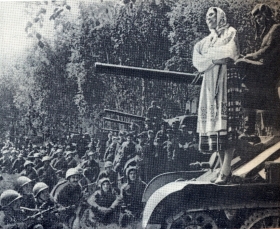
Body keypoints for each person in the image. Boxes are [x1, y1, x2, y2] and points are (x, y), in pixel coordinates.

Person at [193, 7, 239, 184]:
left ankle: (226, 171)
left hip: (228, 80)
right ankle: (222, 170)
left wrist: (210, 60)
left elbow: (231, 53)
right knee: (216, 128)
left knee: (228, 127)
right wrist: (214, 59)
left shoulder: (231, 32)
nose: (208, 19)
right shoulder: (207, 40)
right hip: (211, 84)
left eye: (211, 15)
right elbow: (197, 59)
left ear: (219, 15)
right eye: (206, 16)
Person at [236, 3, 280, 133]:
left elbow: (267, 50)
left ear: (266, 15)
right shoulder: (266, 31)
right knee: (248, 87)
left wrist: (248, 57)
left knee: (241, 64)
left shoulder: (276, 28)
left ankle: (248, 127)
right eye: (256, 19)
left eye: (259, 17)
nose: (258, 20)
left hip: (271, 68)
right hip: (264, 66)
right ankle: (248, 127)